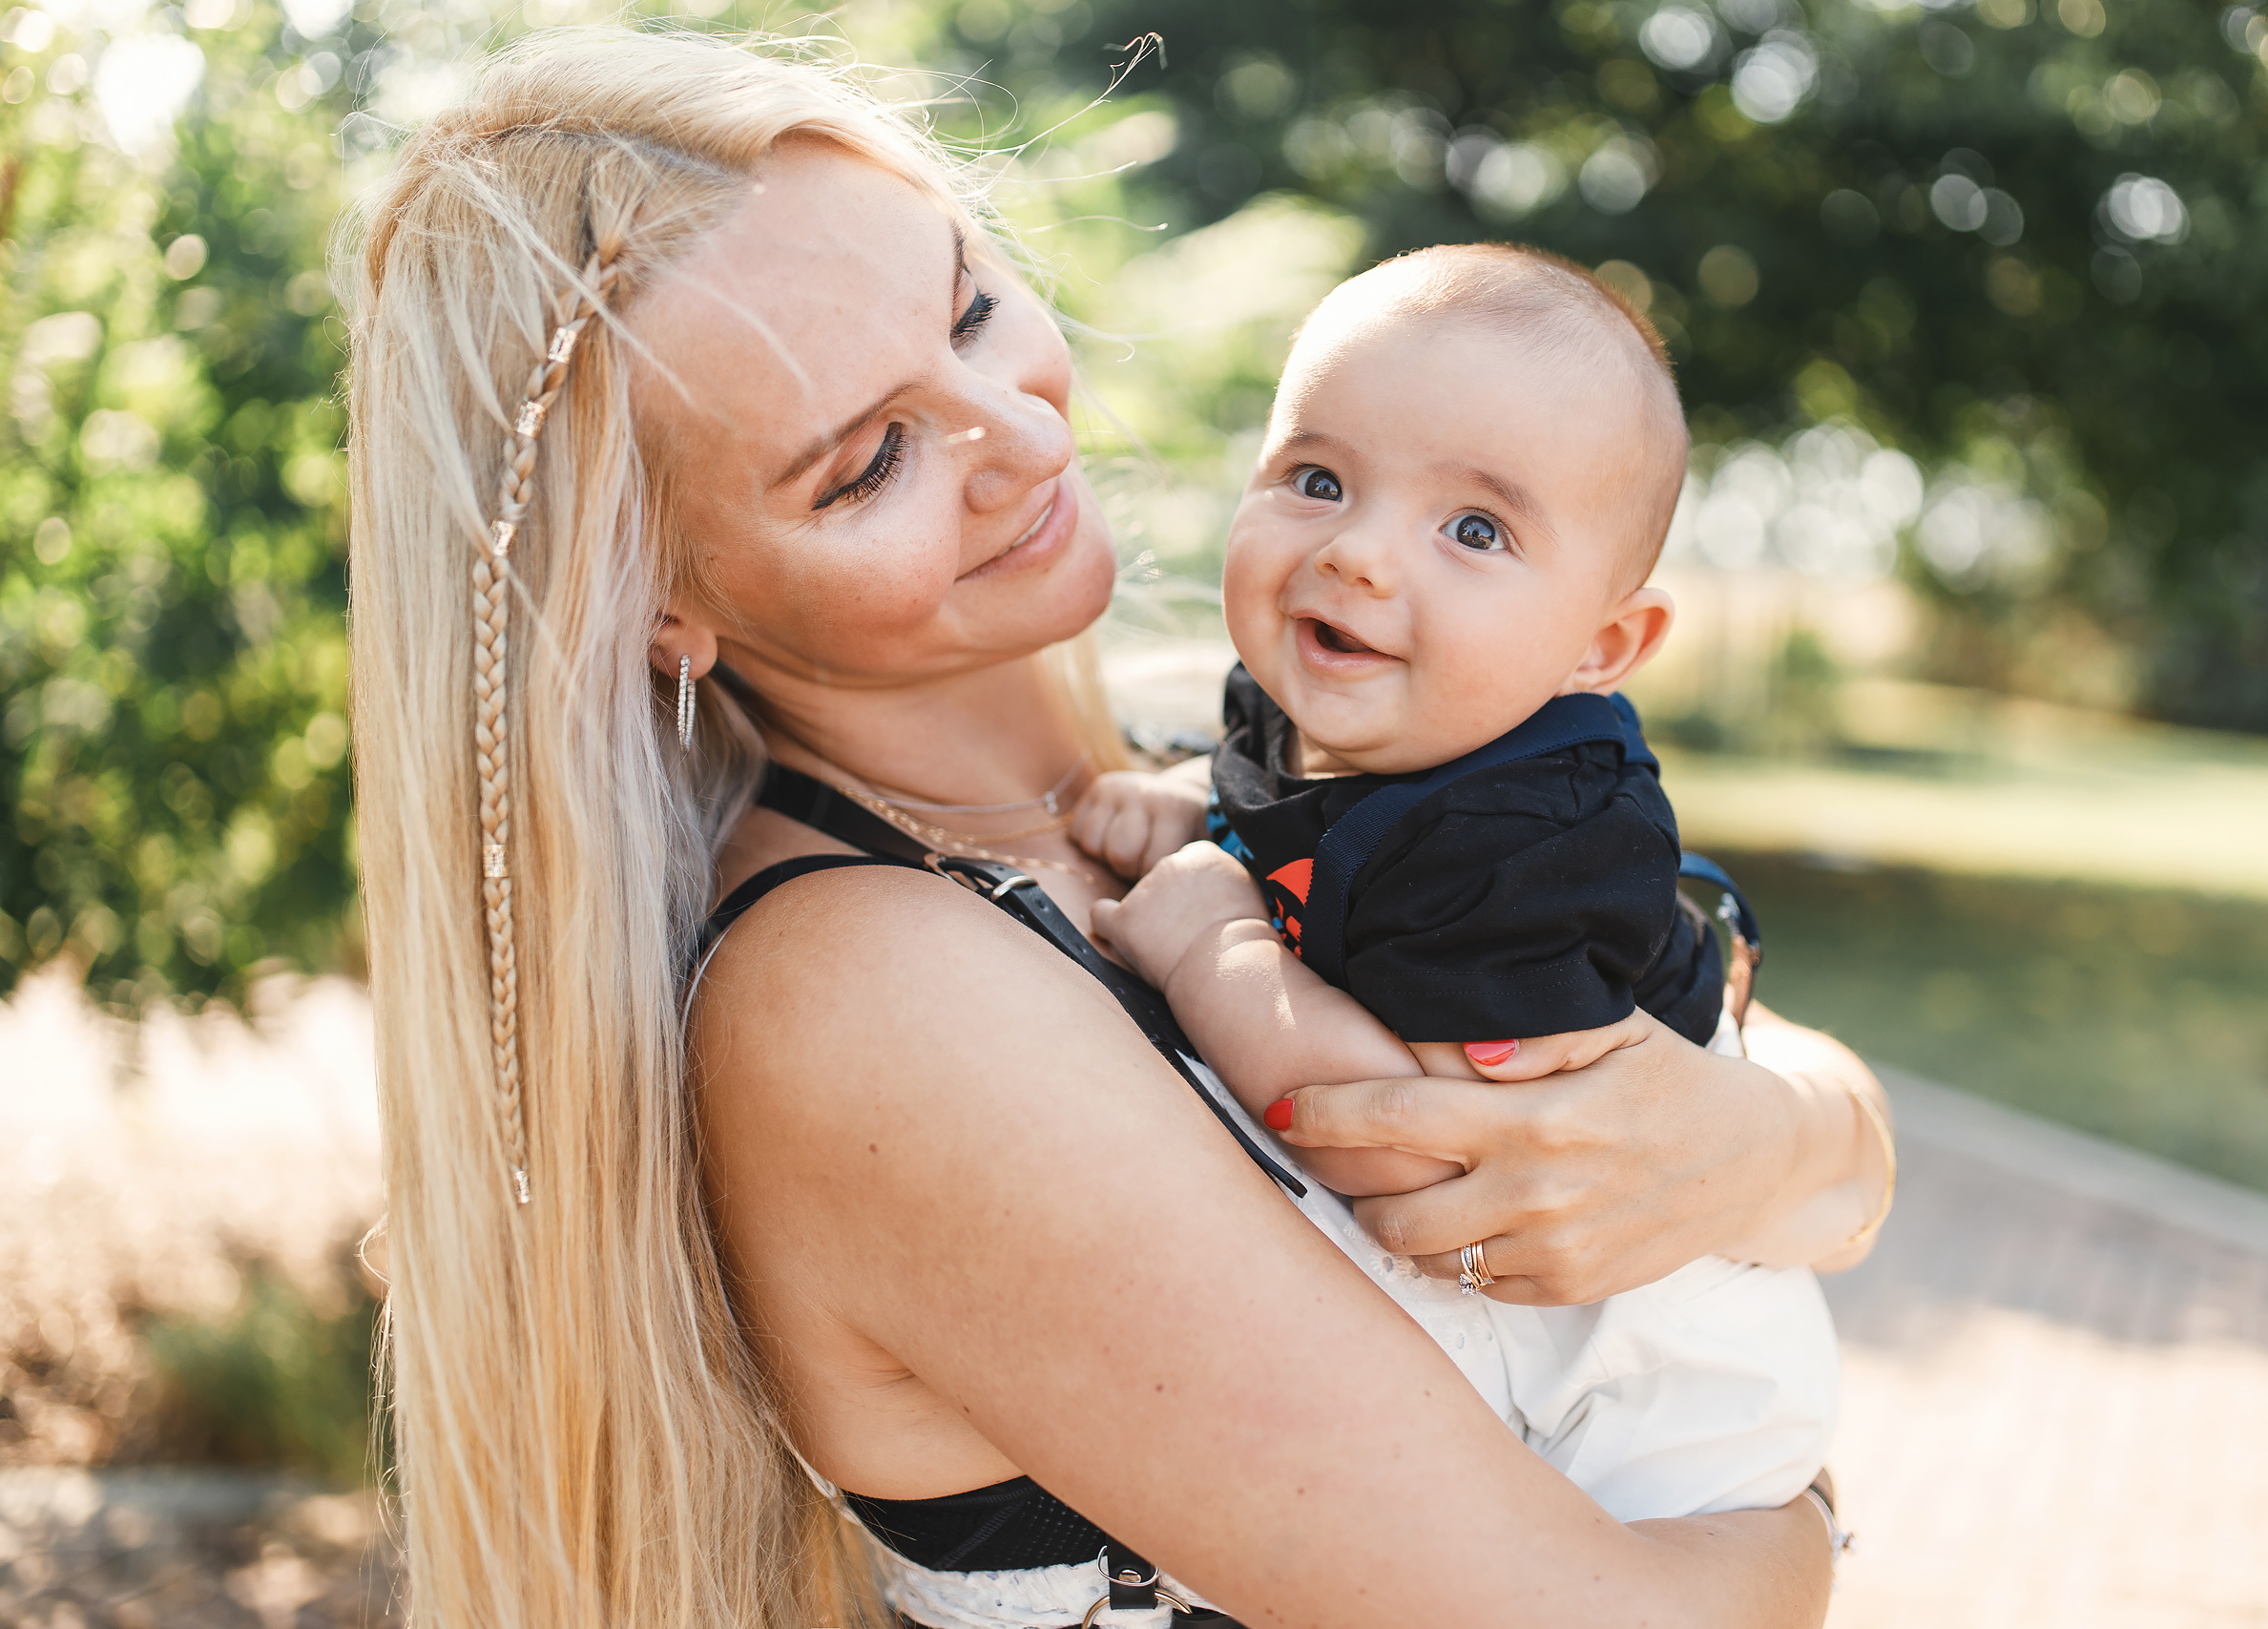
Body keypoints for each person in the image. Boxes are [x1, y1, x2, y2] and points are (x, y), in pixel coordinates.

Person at [342, 27, 1896, 1628]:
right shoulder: (873, 995)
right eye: (869, 462)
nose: (1019, 435)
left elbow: (1777, 1085)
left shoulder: (1231, 739)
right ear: (658, 602)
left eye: (967, 309)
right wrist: (1801, 1525)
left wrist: (1784, 1142)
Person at [1083, 243, 1867, 1526]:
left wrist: (1212, 939)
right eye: (1318, 478)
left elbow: (1403, 1140)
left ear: (1601, 646)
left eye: (1475, 529)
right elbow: (1279, 804)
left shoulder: (1512, 841)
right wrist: (1187, 807)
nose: (1359, 557)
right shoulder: (1316, 688)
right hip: (1521, 1326)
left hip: (1655, 1371)